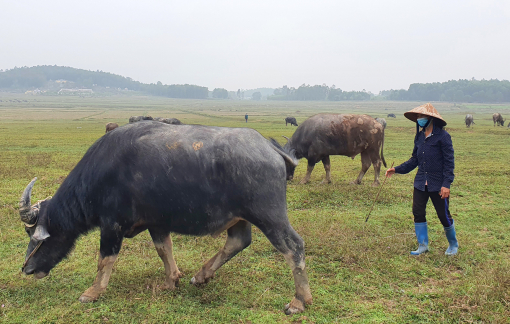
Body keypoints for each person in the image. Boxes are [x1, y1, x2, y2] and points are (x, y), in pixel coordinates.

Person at [385, 103, 458, 256]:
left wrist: (446, 184)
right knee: (418, 212)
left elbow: (449, 163)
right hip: (420, 182)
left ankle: (453, 244)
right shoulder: (419, 137)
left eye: (422, 116)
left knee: (443, 214)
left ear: (431, 118)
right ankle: (423, 245)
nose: (419, 119)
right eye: (418, 116)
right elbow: (414, 160)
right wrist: (396, 169)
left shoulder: (443, 137)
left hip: (438, 184)